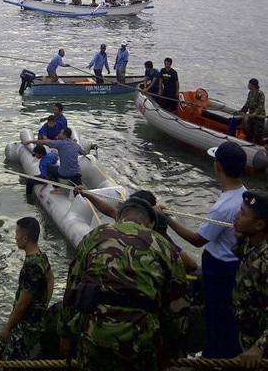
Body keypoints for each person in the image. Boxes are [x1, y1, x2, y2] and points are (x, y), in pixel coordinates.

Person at [58, 197, 189, 371]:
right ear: (150, 224)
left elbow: (72, 288)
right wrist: (175, 349)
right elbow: (178, 305)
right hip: (141, 339)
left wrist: (65, 334)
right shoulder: (165, 247)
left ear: (119, 217)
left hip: (95, 334)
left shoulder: (95, 235)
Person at [161, 141, 247, 359]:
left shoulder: (223, 207)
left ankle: (214, 355)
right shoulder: (244, 197)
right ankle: (224, 350)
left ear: (218, 166)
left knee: (216, 313)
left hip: (219, 269)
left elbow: (198, 240)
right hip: (236, 264)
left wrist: (167, 219)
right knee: (229, 313)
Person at [74, 188, 199, 274]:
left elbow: (190, 265)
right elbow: (191, 265)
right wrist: (88, 194)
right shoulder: (156, 236)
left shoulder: (156, 236)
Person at [0, 217, 54, 362]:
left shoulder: (31, 267)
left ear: (25, 238)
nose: (15, 237)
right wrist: (43, 305)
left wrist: (7, 327)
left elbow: (23, 304)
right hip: (32, 321)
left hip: (25, 326)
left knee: (12, 360)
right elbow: (50, 279)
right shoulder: (42, 257)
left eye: (17, 233)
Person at [231, 189, 268, 369]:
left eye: (243, 214)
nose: (236, 216)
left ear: (259, 225)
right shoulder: (250, 241)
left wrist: (259, 347)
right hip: (246, 335)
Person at [24, 127, 88, 193]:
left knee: (50, 168)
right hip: (76, 173)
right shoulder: (76, 145)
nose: (59, 134)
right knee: (79, 188)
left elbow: (43, 142)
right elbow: (84, 153)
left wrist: (30, 141)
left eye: (61, 133)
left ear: (64, 135)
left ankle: (57, 188)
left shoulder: (60, 144)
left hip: (65, 173)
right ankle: (82, 193)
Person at [240, 78, 265, 144]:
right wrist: (242, 111)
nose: (248, 85)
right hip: (251, 116)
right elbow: (247, 103)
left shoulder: (260, 94)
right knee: (249, 131)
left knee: (257, 134)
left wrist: (255, 113)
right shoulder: (250, 93)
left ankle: (257, 145)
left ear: (252, 85)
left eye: (249, 84)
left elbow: (261, 105)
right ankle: (248, 143)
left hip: (258, 117)